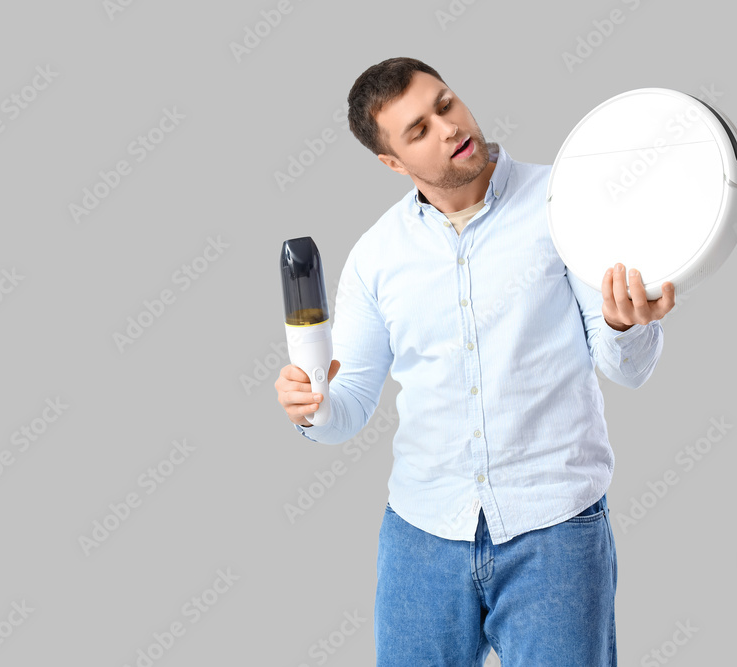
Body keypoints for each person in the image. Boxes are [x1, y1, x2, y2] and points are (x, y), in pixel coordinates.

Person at [275, 57, 675, 666]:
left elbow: (628, 368)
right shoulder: (375, 257)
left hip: (556, 532)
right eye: (418, 130)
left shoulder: (564, 205)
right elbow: (347, 405)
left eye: (445, 103)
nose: (448, 127)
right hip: (421, 540)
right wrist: (311, 408)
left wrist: (624, 323)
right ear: (392, 162)